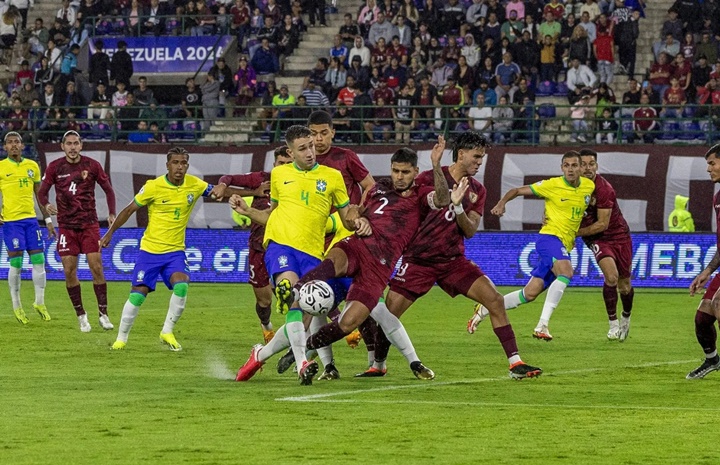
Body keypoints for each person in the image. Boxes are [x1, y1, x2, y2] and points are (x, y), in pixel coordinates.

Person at [257, 139, 452, 381]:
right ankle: (294, 292)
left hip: (379, 266)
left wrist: (436, 165)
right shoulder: (379, 189)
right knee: (331, 264)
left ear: (415, 172)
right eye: (395, 170)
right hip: (357, 247)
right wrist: (358, 219)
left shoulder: (421, 197)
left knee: (348, 323)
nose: (399, 177)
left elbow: (443, 200)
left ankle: (306, 347)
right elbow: (354, 212)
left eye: (405, 172)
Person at [367, 133, 542, 380]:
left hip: (452, 262)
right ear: (461, 154)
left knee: (494, 300)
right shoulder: (425, 179)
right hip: (418, 261)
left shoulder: (477, 190)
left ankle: (515, 363)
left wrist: (458, 207)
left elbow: (469, 231)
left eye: (482, 156)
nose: (480, 162)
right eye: (477, 156)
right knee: (389, 315)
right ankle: (379, 365)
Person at [232, 125, 364, 385]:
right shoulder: (280, 174)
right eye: (302, 148)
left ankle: (260, 354)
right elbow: (272, 215)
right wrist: (247, 212)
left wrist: (356, 220)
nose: (310, 152)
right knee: (292, 291)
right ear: (291, 153)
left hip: (313, 253)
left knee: (300, 309)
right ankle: (303, 362)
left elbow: (346, 218)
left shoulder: (333, 177)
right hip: (280, 244)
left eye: (312, 146)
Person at [468, 151, 594, 340]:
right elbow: (517, 190)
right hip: (549, 238)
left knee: (529, 294)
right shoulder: (552, 185)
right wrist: (502, 203)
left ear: (581, 168)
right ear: (562, 168)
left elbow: (583, 205)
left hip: (565, 243)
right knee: (566, 272)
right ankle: (542, 325)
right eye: (566, 165)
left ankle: (484, 309)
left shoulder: (588, 186)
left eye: (574, 165)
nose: (570, 169)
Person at [99, 147, 216, 351]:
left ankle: (167, 331)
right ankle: (121, 338)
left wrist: (250, 191)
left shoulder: (195, 184)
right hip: (150, 252)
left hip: (175, 252)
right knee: (138, 294)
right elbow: (128, 210)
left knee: (182, 285)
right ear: (167, 165)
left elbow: (218, 191)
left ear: (187, 165)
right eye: (175, 163)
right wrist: (110, 233)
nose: (180, 167)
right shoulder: (153, 187)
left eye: (183, 163)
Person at [210, 147, 293, 343]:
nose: (285, 167)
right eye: (281, 163)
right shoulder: (261, 179)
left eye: (289, 164)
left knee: (293, 297)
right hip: (259, 248)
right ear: (274, 165)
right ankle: (266, 326)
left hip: (284, 247)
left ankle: (297, 340)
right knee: (264, 301)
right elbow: (228, 178)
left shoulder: (299, 182)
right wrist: (226, 186)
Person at [37, 131, 117, 332]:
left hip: (89, 224)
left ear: (81, 145)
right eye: (69, 144)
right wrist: (46, 204)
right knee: (68, 270)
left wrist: (112, 212)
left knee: (96, 267)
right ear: (62, 146)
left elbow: (108, 189)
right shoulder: (55, 167)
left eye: (76, 143)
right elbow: (41, 192)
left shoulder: (92, 166)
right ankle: (81, 315)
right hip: (66, 227)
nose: (72, 147)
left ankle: (103, 313)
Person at [575, 149, 634, 341]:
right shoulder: (570, 186)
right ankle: (613, 324)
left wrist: (573, 233)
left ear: (596, 166)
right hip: (598, 240)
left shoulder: (604, 189)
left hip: (618, 236)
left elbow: (602, 224)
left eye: (591, 164)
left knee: (624, 286)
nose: (587, 168)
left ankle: (626, 317)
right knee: (611, 276)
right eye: (583, 164)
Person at [0, 132, 54, 324]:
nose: (13, 145)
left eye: (17, 142)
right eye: (9, 143)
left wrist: (47, 221)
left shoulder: (32, 166)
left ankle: (39, 302)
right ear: (5, 147)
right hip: (11, 222)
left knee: (39, 260)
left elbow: (40, 197)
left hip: (31, 221)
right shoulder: (1, 167)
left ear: (22, 146)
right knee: (17, 263)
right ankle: (17, 306)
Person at [687, 144, 720, 379]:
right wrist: (707, 270)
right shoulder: (718, 197)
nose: (709, 169)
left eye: (712, 163)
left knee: (719, 303)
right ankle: (712, 360)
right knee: (702, 319)